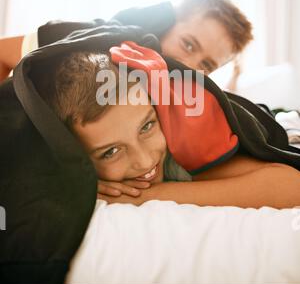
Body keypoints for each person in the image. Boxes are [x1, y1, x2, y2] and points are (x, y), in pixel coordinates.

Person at [36, 48, 300, 210]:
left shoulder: (181, 147)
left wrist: (148, 195)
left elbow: (291, 185)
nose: (145, 160)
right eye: (111, 151)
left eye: (147, 126)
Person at [0, 0, 253, 83]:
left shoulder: (181, 97)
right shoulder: (86, 37)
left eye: (206, 66)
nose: (189, 66)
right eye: (188, 44)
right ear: (166, 23)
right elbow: (3, 52)